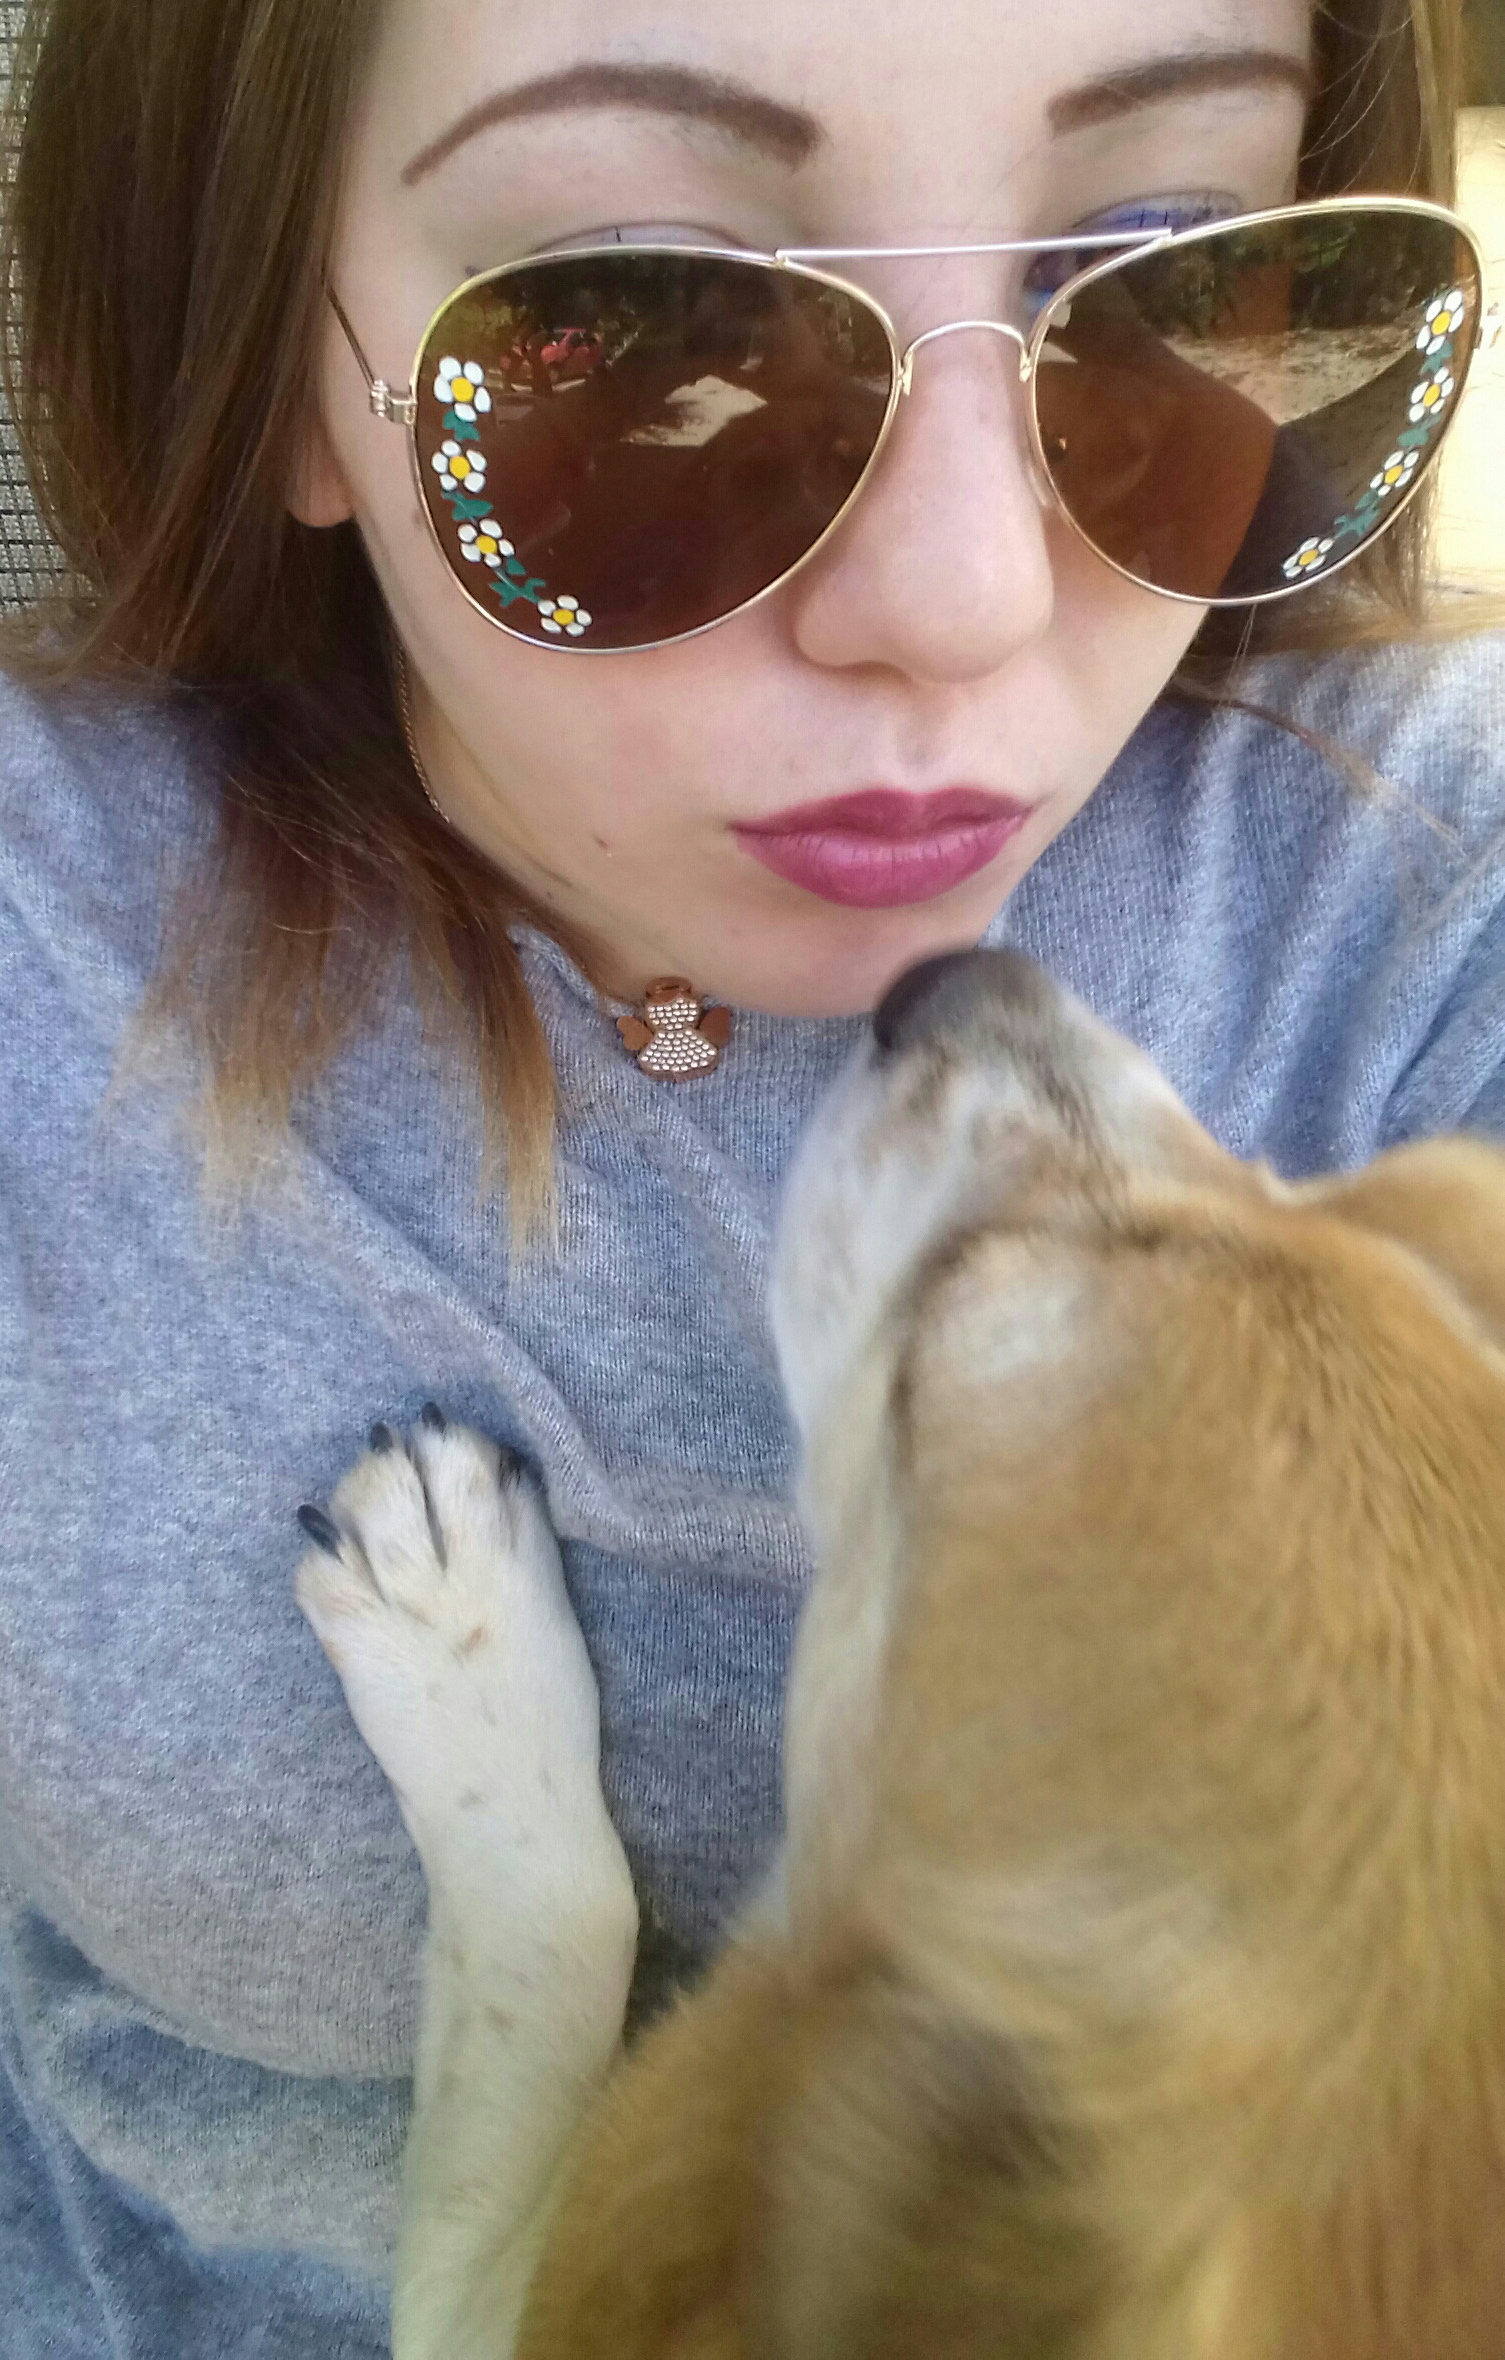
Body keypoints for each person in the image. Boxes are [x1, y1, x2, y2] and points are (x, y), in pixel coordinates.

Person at [0, 0, 1501, 2352]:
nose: (968, 599)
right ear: (283, 358)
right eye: (649, 331)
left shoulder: (1434, 881)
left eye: (1176, 273)